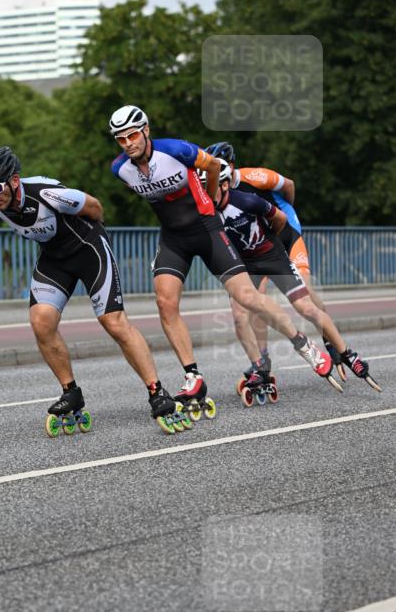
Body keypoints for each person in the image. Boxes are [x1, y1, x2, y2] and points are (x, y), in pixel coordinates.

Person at [108, 106, 335, 407]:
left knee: (248, 297)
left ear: (146, 130)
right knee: (165, 302)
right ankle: (193, 377)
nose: (128, 143)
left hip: (206, 229)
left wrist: (209, 199)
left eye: (133, 135)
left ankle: (303, 344)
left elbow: (213, 165)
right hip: (174, 238)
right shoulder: (120, 168)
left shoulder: (176, 150)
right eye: (121, 139)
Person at [0, 146, 184, 431]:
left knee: (113, 322)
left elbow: (95, 207)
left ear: (14, 180)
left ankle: (157, 391)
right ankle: (70, 392)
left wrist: (95, 238)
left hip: (89, 250)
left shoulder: (47, 193)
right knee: (41, 322)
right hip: (54, 260)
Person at [206, 141, 371, 384]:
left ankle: (331, 341)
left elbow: (289, 186)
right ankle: (262, 363)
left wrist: (289, 210)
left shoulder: (255, 176)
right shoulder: (212, 197)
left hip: (284, 232)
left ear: (230, 167)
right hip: (255, 245)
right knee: (252, 304)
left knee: (304, 289)